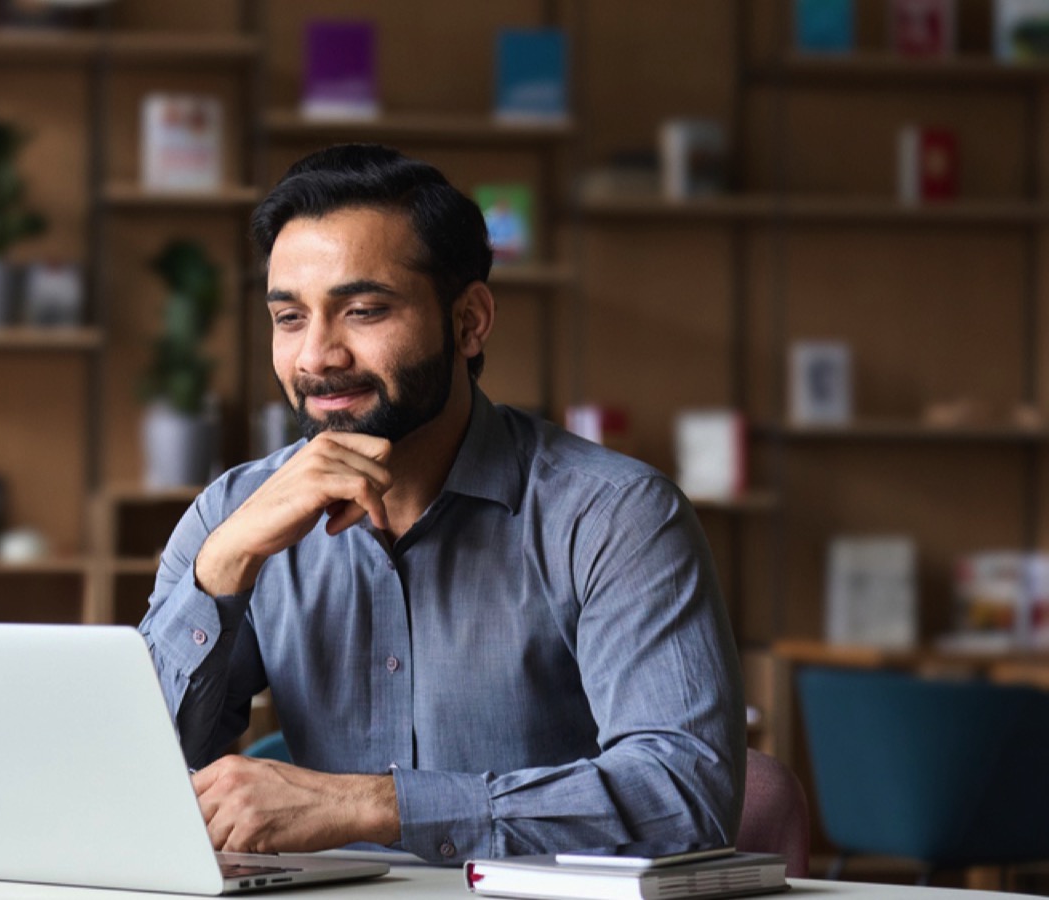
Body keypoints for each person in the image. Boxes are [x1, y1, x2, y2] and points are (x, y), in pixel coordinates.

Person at [138, 144, 745, 865]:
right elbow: (125, 781)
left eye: (362, 310)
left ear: (469, 321)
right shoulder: (232, 515)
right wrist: (223, 569)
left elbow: (685, 796)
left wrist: (377, 805)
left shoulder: (616, 516)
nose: (316, 357)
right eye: (290, 317)